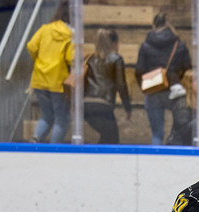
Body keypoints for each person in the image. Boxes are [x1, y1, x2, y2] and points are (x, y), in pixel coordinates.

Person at [134, 12, 191, 145]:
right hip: (174, 89)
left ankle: (156, 156)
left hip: (152, 90)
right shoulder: (179, 44)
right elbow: (187, 67)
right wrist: (176, 79)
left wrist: (144, 87)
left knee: (157, 133)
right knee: (178, 130)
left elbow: (139, 70)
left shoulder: (145, 45)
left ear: (154, 25)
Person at [26, 0, 74, 143]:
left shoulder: (44, 29)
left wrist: (40, 60)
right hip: (58, 81)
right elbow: (71, 58)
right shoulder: (70, 34)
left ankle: (36, 139)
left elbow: (31, 46)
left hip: (39, 78)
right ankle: (54, 149)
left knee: (47, 115)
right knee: (62, 119)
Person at [83, 29, 132, 144]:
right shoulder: (116, 59)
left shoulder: (89, 59)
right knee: (112, 140)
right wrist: (128, 108)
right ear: (114, 43)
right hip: (104, 104)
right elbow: (121, 84)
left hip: (86, 104)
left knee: (107, 137)